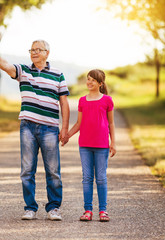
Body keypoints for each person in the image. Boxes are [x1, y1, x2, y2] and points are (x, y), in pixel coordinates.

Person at [0, 40, 70, 221]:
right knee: (27, 170)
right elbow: (7, 67)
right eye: (32, 50)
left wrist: (64, 128)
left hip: (50, 128)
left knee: (53, 171)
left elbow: (64, 102)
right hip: (28, 127)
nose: (34, 52)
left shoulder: (58, 75)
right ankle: (30, 208)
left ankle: (54, 208)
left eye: (38, 50)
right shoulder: (24, 70)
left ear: (47, 53)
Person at [64, 69, 116, 222]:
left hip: (102, 146)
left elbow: (111, 123)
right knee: (87, 178)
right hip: (85, 145)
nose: (90, 82)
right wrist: (67, 135)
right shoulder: (82, 101)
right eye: (88, 79)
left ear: (100, 83)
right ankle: (87, 210)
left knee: (100, 178)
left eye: (93, 80)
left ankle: (103, 211)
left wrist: (113, 142)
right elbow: (79, 123)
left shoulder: (107, 100)